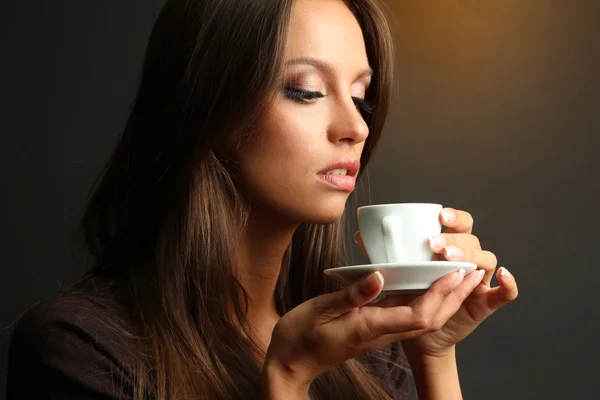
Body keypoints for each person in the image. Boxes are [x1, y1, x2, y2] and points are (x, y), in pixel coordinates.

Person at [6, 0, 519, 399]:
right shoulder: (82, 348)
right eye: (306, 90)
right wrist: (288, 379)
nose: (357, 126)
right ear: (208, 105)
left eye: (362, 96)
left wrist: (433, 353)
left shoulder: (365, 353)